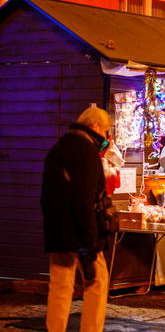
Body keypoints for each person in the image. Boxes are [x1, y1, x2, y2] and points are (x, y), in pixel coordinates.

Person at [41, 106, 111, 332]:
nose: (106, 137)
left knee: (60, 286)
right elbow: (85, 199)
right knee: (97, 283)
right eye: (105, 130)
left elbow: (46, 196)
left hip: (58, 233)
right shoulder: (87, 150)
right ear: (95, 126)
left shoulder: (57, 149)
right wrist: (90, 243)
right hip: (83, 233)